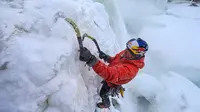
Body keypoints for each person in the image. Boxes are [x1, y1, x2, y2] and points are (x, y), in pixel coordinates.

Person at [79, 38, 148, 108]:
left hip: (113, 82)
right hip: (114, 73)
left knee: (103, 93)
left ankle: (106, 104)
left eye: (128, 51)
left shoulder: (130, 70)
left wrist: (92, 60)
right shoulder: (128, 54)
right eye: (127, 48)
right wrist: (107, 58)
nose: (125, 51)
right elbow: (116, 60)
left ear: (136, 55)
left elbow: (109, 74)